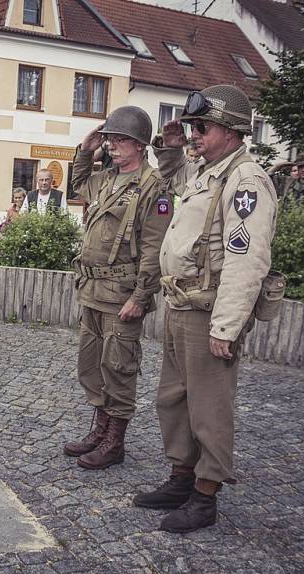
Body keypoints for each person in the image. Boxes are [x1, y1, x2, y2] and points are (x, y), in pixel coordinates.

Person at [134, 85, 277, 533]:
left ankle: (206, 493)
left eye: (202, 127)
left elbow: (247, 260)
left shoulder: (246, 180)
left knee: (209, 407)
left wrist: (226, 328)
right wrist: (174, 150)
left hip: (208, 314)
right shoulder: (207, 172)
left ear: (233, 131)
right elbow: (178, 187)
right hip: (182, 304)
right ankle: (181, 477)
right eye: (194, 127)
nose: (195, 134)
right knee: (173, 400)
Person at [64, 106, 172, 469]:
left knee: (119, 367)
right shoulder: (106, 179)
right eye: (109, 139)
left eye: (120, 139)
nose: (111, 145)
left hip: (122, 295)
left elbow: (155, 248)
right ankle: (99, 428)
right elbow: (78, 184)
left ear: (140, 145)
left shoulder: (152, 187)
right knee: (91, 364)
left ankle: (115, 441)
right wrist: (85, 149)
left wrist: (141, 298)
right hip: (92, 290)